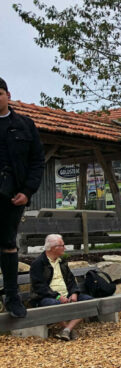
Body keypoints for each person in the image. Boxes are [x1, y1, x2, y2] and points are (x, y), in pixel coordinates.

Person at [0, 77, 45, 318]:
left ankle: (12, 295)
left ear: (8, 95)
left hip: (11, 196)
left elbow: (37, 161)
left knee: (8, 243)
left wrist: (27, 192)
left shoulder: (25, 125)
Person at [30, 235, 94, 340]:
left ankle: (67, 330)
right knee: (56, 305)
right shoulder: (38, 263)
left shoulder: (62, 262)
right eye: (62, 245)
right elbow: (39, 287)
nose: (65, 248)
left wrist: (74, 293)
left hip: (66, 294)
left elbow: (71, 280)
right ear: (53, 248)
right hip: (45, 297)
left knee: (89, 302)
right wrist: (57, 296)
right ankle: (67, 329)